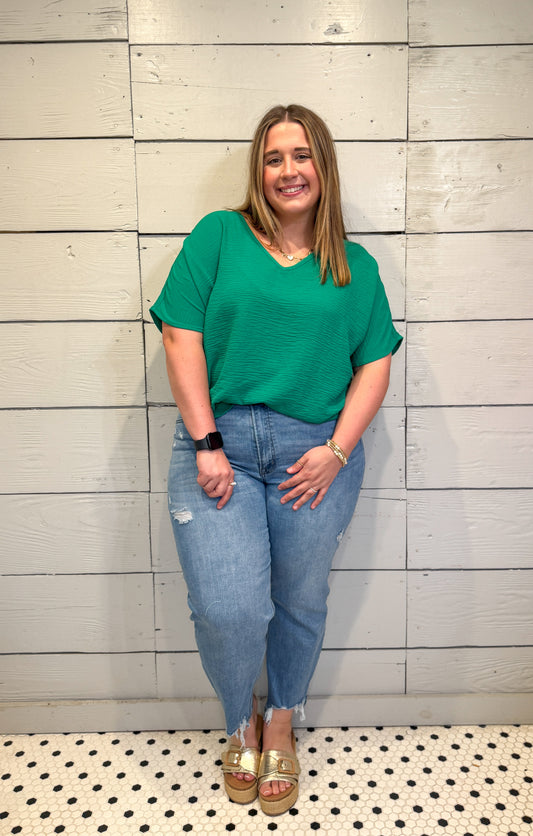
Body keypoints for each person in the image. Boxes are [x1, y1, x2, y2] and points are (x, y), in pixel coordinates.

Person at [150, 103, 402, 816]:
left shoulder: (353, 265)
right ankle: (239, 720)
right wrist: (205, 442)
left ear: (322, 165)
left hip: (313, 456)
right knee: (228, 609)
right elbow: (180, 335)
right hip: (217, 446)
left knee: (299, 601)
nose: (287, 170)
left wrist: (336, 450)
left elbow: (374, 362)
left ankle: (281, 719)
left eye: (300, 155)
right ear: (257, 170)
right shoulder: (219, 236)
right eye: (272, 157)